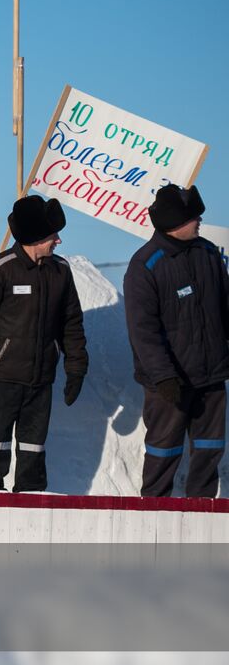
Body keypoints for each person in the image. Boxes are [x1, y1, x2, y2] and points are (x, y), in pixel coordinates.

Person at [0, 195, 88, 492]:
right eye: (52, 235)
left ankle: (30, 504)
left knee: (33, 453)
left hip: (40, 382)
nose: (58, 241)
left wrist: (76, 367)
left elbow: (72, 324)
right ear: (34, 237)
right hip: (0, 381)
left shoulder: (60, 271)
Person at [124, 184, 229, 498]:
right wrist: (164, 376)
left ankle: (201, 514)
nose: (199, 221)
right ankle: (153, 517)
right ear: (174, 222)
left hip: (210, 378)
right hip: (169, 384)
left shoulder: (209, 254)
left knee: (209, 451)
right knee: (163, 453)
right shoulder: (145, 265)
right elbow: (143, 331)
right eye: (194, 217)